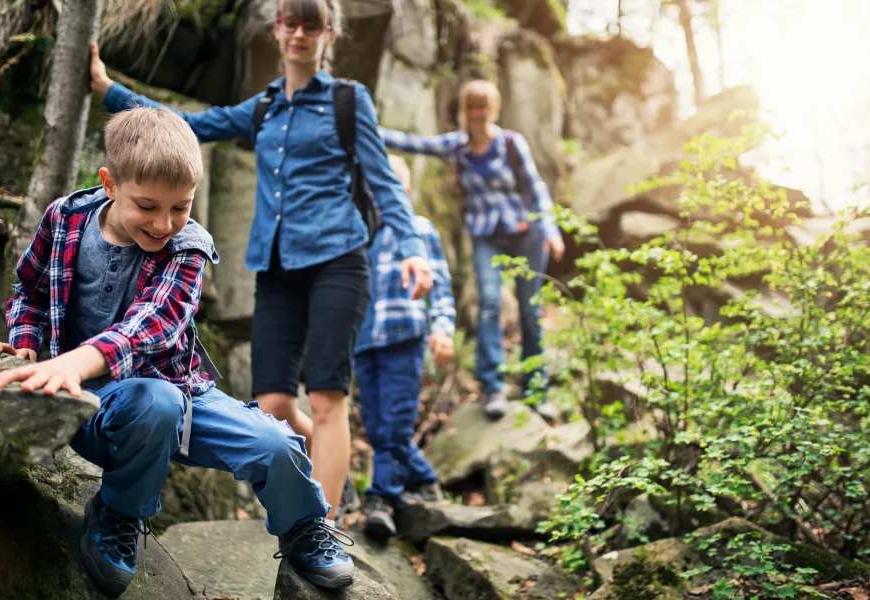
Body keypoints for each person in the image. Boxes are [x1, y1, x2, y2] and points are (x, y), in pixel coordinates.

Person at [0, 107, 356, 594]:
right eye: (148, 206)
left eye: (181, 207)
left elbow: (152, 325)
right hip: (83, 402)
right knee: (153, 404)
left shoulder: (189, 248)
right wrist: (29, 348)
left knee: (277, 443)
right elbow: (28, 291)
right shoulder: (66, 217)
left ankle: (304, 525)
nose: (164, 224)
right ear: (110, 183)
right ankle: (119, 510)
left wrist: (71, 360)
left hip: (175, 394)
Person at [88, 0, 433, 523]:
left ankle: (323, 526)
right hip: (276, 267)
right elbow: (185, 126)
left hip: (339, 260)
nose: (299, 33)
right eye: (290, 22)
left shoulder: (348, 100)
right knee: (272, 405)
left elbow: (383, 179)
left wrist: (411, 248)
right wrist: (108, 90)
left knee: (325, 395)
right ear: (277, 29)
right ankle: (332, 471)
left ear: (328, 35)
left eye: (311, 25)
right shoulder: (264, 107)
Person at [380, 79, 564, 423]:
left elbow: (536, 188)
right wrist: (364, 128)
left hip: (525, 232)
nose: (477, 114)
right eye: (471, 108)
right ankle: (493, 386)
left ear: (493, 110)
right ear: (464, 112)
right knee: (490, 304)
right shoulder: (457, 147)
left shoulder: (511, 144)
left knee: (529, 310)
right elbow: (414, 143)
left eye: (483, 107)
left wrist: (551, 230)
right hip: (486, 237)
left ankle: (536, 389)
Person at [354, 155, 454, 540]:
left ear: (406, 191)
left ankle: (380, 500)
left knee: (395, 423)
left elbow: (441, 286)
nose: (382, 195)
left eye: (391, 186)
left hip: (403, 338)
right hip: (364, 342)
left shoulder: (419, 229)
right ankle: (424, 478)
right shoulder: (361, 235)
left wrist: (443, 329)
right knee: (379, 429)